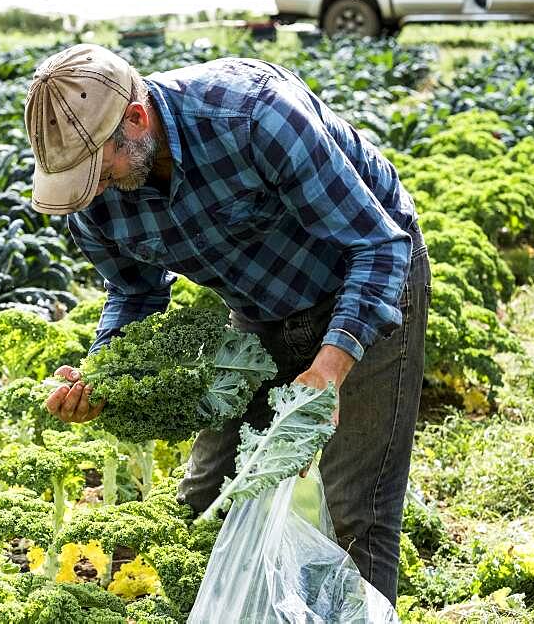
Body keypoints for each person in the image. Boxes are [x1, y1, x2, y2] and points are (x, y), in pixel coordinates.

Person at [23, 43, 430, 604]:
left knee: (354, 511)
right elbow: (133, 292)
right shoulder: (94, 194)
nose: (90, 190)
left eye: (97, 170)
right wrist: (102, 375)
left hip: (367, 284)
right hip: (257, 307)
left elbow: (379, 246)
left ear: (137, 120)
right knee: (206, 495)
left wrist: (331, 366)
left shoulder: (252, 116)